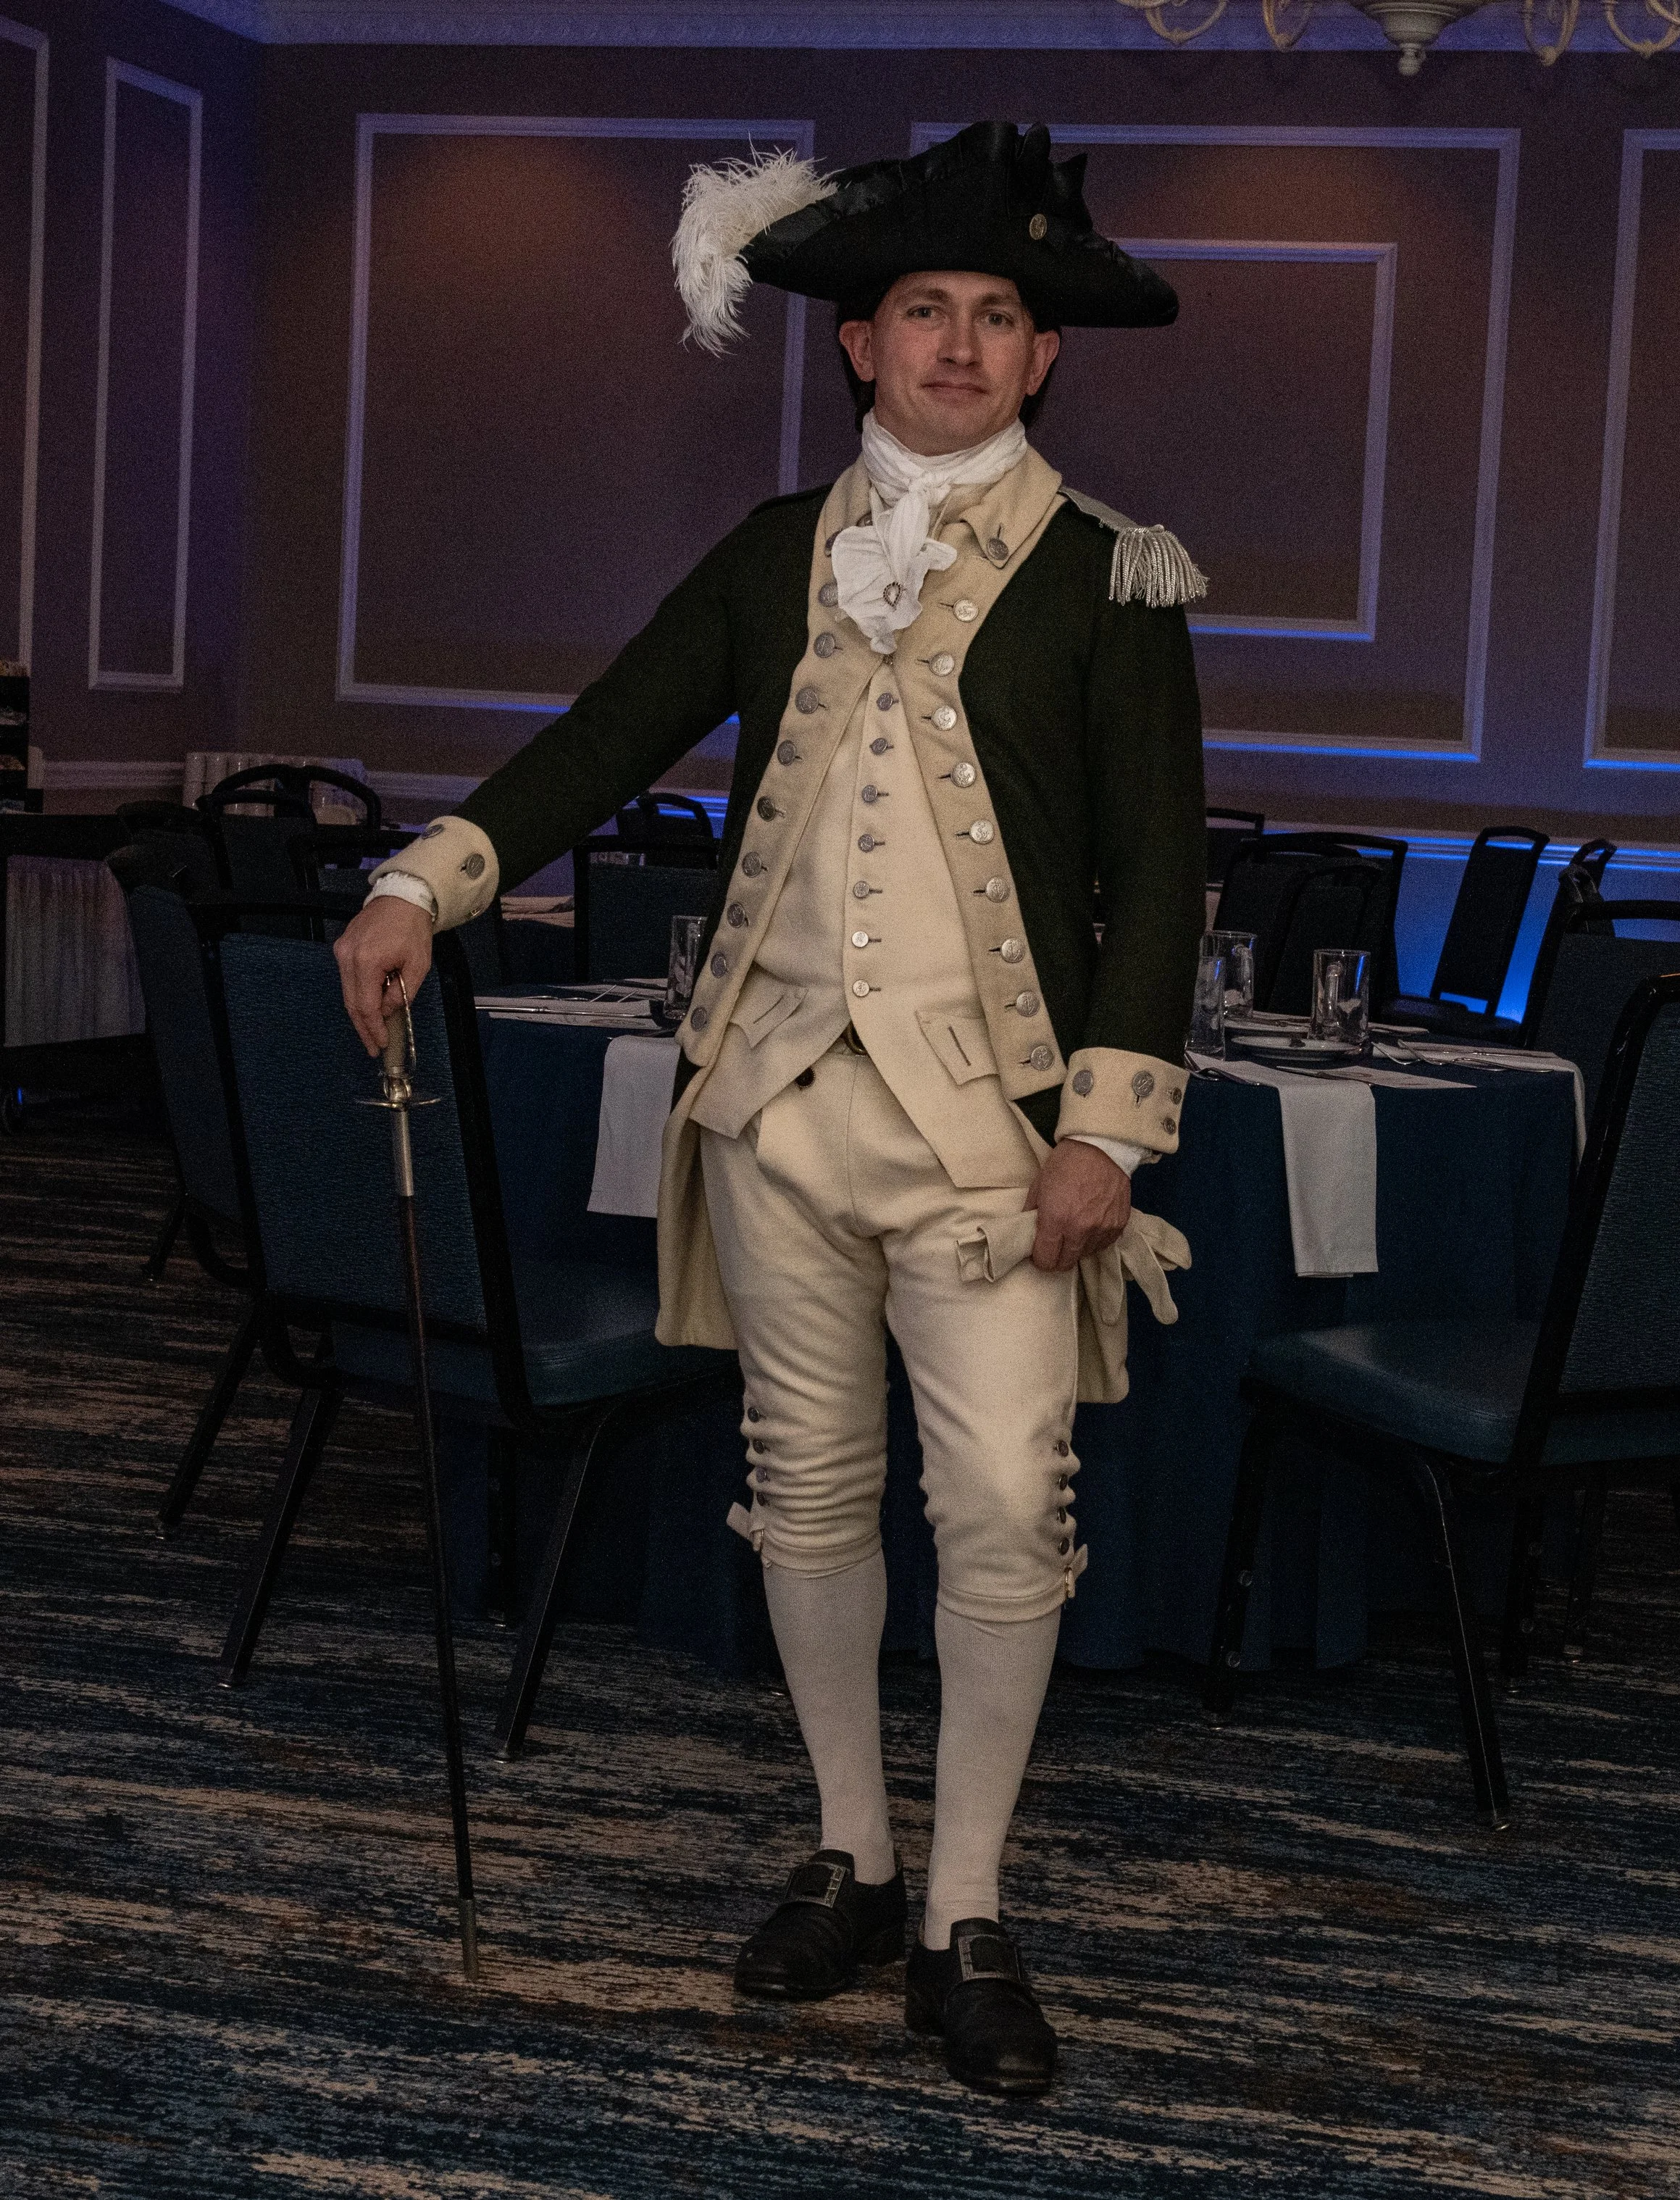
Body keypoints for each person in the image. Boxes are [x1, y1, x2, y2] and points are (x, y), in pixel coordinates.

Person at [335, 120, 1207, 2099]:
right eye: (925, 311)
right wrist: (422, 879)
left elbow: (1160, 879)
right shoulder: (768, 557)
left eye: (997, 317)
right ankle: (854, 1849)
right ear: (856, 344)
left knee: (998, 1498)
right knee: (803, 1494)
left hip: (992, 1136)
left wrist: (1111, 1128)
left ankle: (968, 1905)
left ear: (1044, 354)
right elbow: (604, 739)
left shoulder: (1111, 582)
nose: (961, 347)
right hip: (775, 1107)